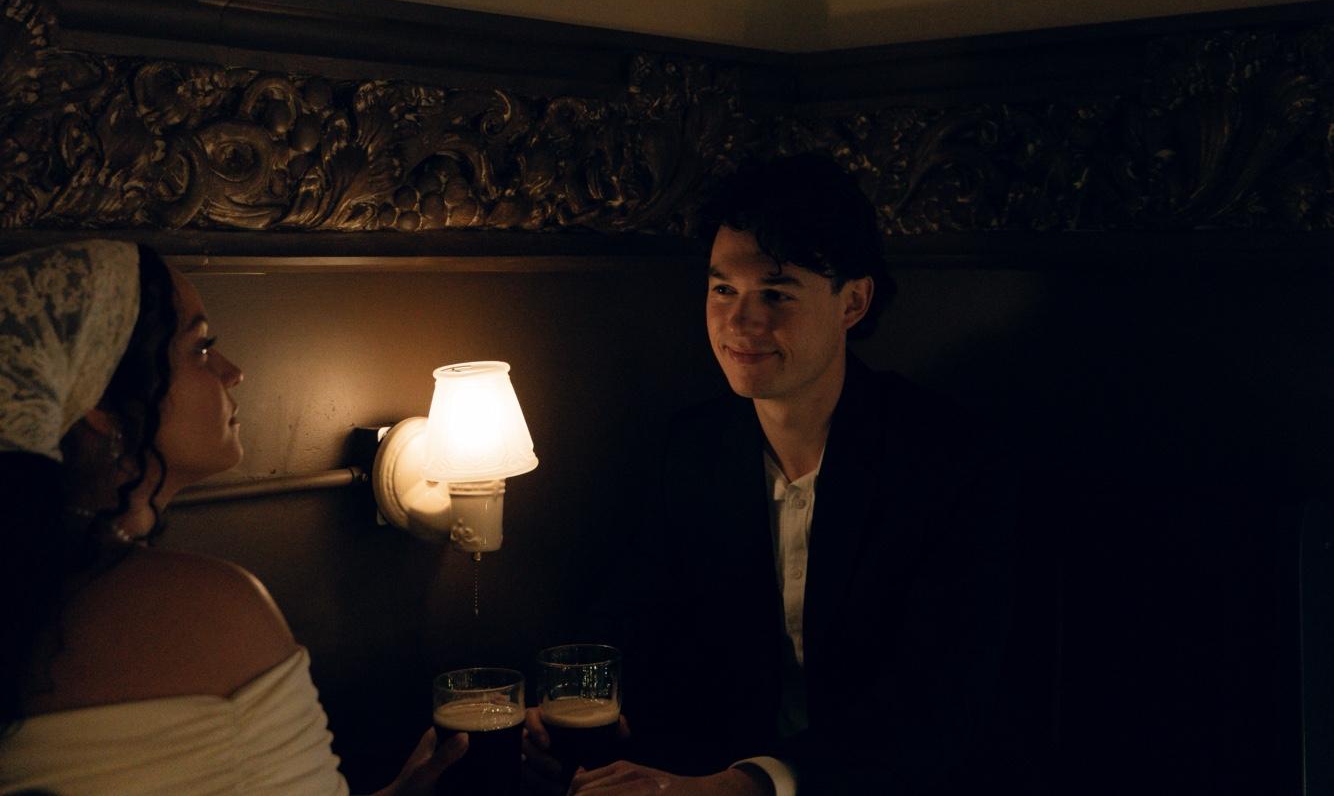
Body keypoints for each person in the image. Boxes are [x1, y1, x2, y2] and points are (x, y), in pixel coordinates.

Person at [530, 154, 1016, 795]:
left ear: (853, 301)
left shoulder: (944, 459)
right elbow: (634, 619)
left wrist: (748, 786)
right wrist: (573, 711)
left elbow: (936, 705)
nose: (740, 322)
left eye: (777, 293)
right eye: (723, 290)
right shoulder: (695, 450)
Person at [0, 240, 467, 795]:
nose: (234, 372)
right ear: (100, 404)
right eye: (201, 348)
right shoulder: (206, 608)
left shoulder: (24, 590)